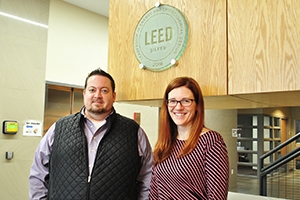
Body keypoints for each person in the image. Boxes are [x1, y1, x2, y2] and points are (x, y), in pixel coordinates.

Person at [29, 68, 153, 200]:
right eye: (92, 90)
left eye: (104, 90)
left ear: (114, 96)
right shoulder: (59, 128)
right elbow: (38, 174)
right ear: (84, 94)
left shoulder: (133, 131)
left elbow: (148, 178)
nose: (97, 95)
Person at [149, 77, 229, 200]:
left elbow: (217, 197)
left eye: (186, 101)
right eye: (172, 101)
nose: (178, 107)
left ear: (197, 105)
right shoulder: (165, 143)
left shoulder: (211, 141)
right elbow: (154, 192)